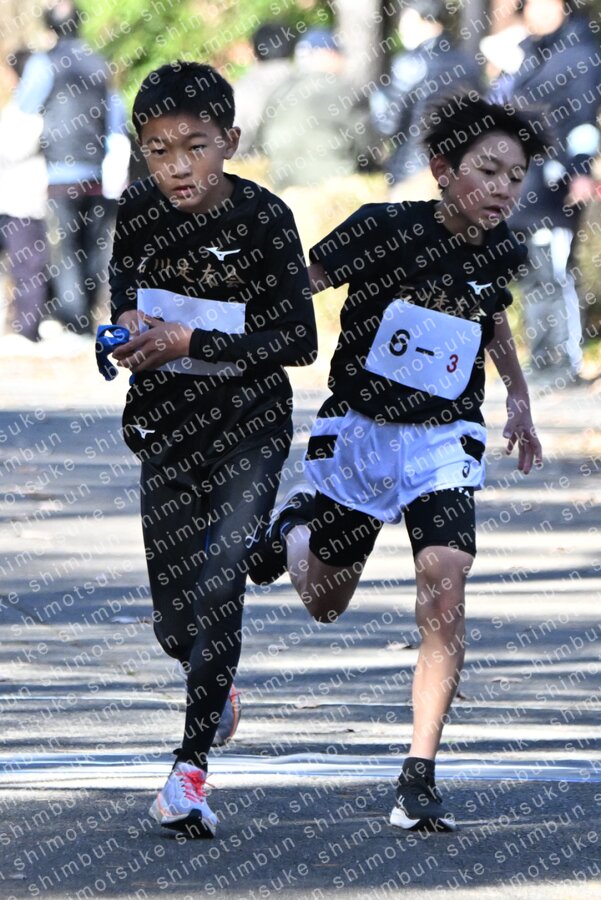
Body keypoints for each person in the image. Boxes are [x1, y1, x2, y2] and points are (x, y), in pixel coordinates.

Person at [249, 94, 544, 832]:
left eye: (516, 176)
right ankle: (292, 530)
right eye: (488, 171)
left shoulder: (499, 247)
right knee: (324, 601)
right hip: (361, 434)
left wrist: (517, 397)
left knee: (445, 583)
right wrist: (234, 330)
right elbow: (302, 281)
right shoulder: (381, 228)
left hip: (443, 440)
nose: (504, 189)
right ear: (442, 169)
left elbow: (489, 316)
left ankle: (418, 773)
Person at [108, 61, 316, 837]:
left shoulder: (265, 219)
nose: (177, 167)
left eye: (194, 147)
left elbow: (298, 339)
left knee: (221, 579)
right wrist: (127, 328)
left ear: (229, 139)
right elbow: (123, 288)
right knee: (176, 624)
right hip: (167, 425)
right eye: (158, 150)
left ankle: (188, 770)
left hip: (248, 426)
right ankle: (212, 677)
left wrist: (194, 340)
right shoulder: (138, 209)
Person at [490, 0, 601, 383]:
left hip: (554, 185)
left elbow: (584, 121)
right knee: (532, 275)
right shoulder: (527, 53)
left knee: (553, 273)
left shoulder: (581, 54)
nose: (537, 11)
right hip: (521, 185)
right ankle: (541, 361)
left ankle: (563, 363)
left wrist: (580, 171)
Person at [15, 0, 130, 335]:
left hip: (58, 174)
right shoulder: (99, 63)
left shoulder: (43, 63)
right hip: (97, 172)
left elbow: (25, 106)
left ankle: (74, 322)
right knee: (95, 246)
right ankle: (88, 319)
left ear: (50, 27)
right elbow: (116, 114)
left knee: (65, 249)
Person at [370, 0, 482, 201]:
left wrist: (377, 95)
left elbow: (387, 123)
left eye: (408, 22)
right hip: (459, 171)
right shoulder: (467, 63)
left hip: (412, 173)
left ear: (431, 22)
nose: (402, 30)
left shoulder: (409, 64)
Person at [257, 28, 373, 189]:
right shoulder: (345, 91)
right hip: (333, 189)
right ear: (327, 54)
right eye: (339, 54)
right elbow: (368, 146)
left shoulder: (280, 91)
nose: (344, 60)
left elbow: (261, 142)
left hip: (281, 186)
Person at [0, 50, 48, 342]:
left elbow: (12, 148)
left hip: (24, 201)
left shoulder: (30, 112)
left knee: (27, 266)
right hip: (14, 201)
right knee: (26, 265)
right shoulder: (20, 110)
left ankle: (27, 330)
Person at [234, 21, 297, 157]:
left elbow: (236, 141)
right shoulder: (306, 81)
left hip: (256, 161)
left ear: (254, 50)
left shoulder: (243, 88)